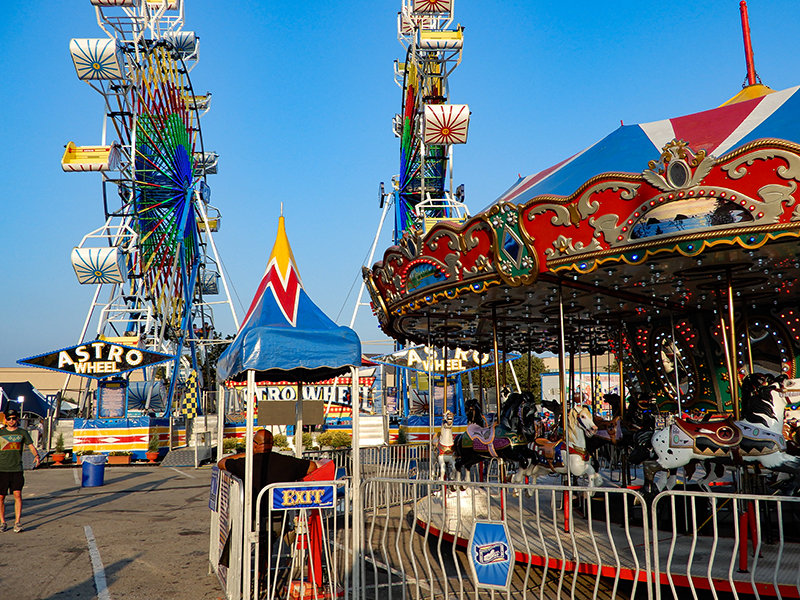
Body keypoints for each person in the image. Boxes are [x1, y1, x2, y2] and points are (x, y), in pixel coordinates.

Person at [0, 408, 40, 533]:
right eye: (9, 418)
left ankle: (17, 522)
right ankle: (3, 522)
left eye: (14, 418)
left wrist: (36, 456)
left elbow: (31, 446)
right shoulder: (1, 433)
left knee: (17, 494)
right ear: (5, 420)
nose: (11, 421)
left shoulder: (22, 432)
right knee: (1, 497)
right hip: (2, 469)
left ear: (17, 419)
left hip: (16, 468)